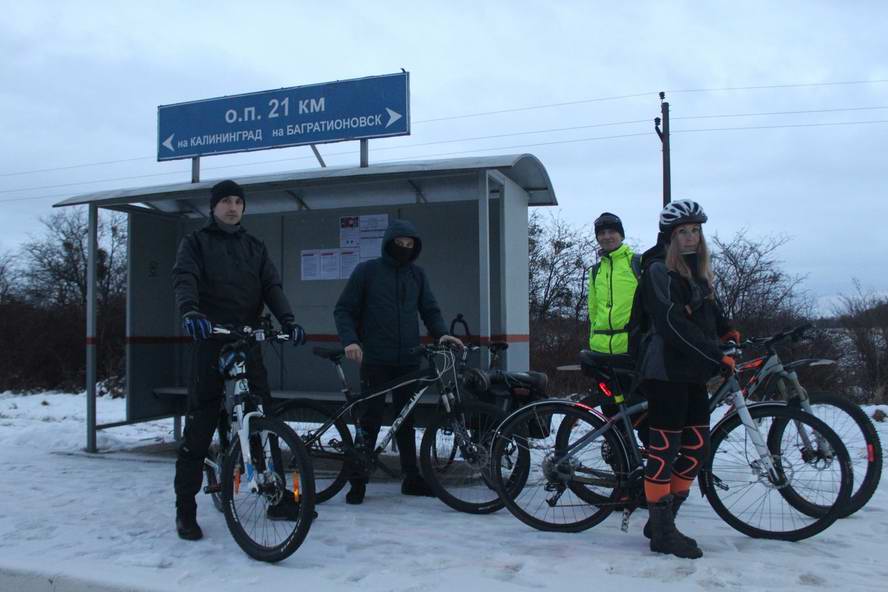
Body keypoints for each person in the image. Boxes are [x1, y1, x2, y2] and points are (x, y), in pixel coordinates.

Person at [171, 179, 307, 541]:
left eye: (238, 202)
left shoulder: (254, 247)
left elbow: (271, 287)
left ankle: (279, 498)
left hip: (248, 340)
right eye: (225, 202)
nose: (232, 207)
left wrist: (288, 320)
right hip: (210, 340)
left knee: (265, 416)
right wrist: (190, 310)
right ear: (213, 207)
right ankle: (186, 510)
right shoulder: (196, 242)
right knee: (200, 423)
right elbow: (185, 277)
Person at [334, 219, 463, 505]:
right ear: (388, 243)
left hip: (408, 359)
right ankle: (358, 480)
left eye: (409, 245)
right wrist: (350, 341)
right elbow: (343, 309)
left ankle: (411, 477)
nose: (404, 249)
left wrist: (442, 334)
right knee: (370, 418)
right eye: (399, 244)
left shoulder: (417, 275)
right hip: (375, 359)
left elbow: (429, 309)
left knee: (406, 419)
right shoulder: (367, 271)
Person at [636, 199, 738, 559]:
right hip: (664, 372)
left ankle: (661, 519)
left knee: (696, 448)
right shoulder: (657, 271)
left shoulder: (697, 269)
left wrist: (727, 332)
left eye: (696, 230)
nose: (692, 237)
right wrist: (714, 353)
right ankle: (662, 533)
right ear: (670, 236)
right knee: (664, 451)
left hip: (692, 371)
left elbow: (709, 310)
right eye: (684, 231)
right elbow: (671, 324)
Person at [587, 212, 640, 356]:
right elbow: (593, 310)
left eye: (612, 231)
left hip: (633, 348)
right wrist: (593, 339)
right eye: (602, 233)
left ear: (621, 235)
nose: (607, 236)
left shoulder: (637, 263)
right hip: (600, 349)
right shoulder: (595, 271)